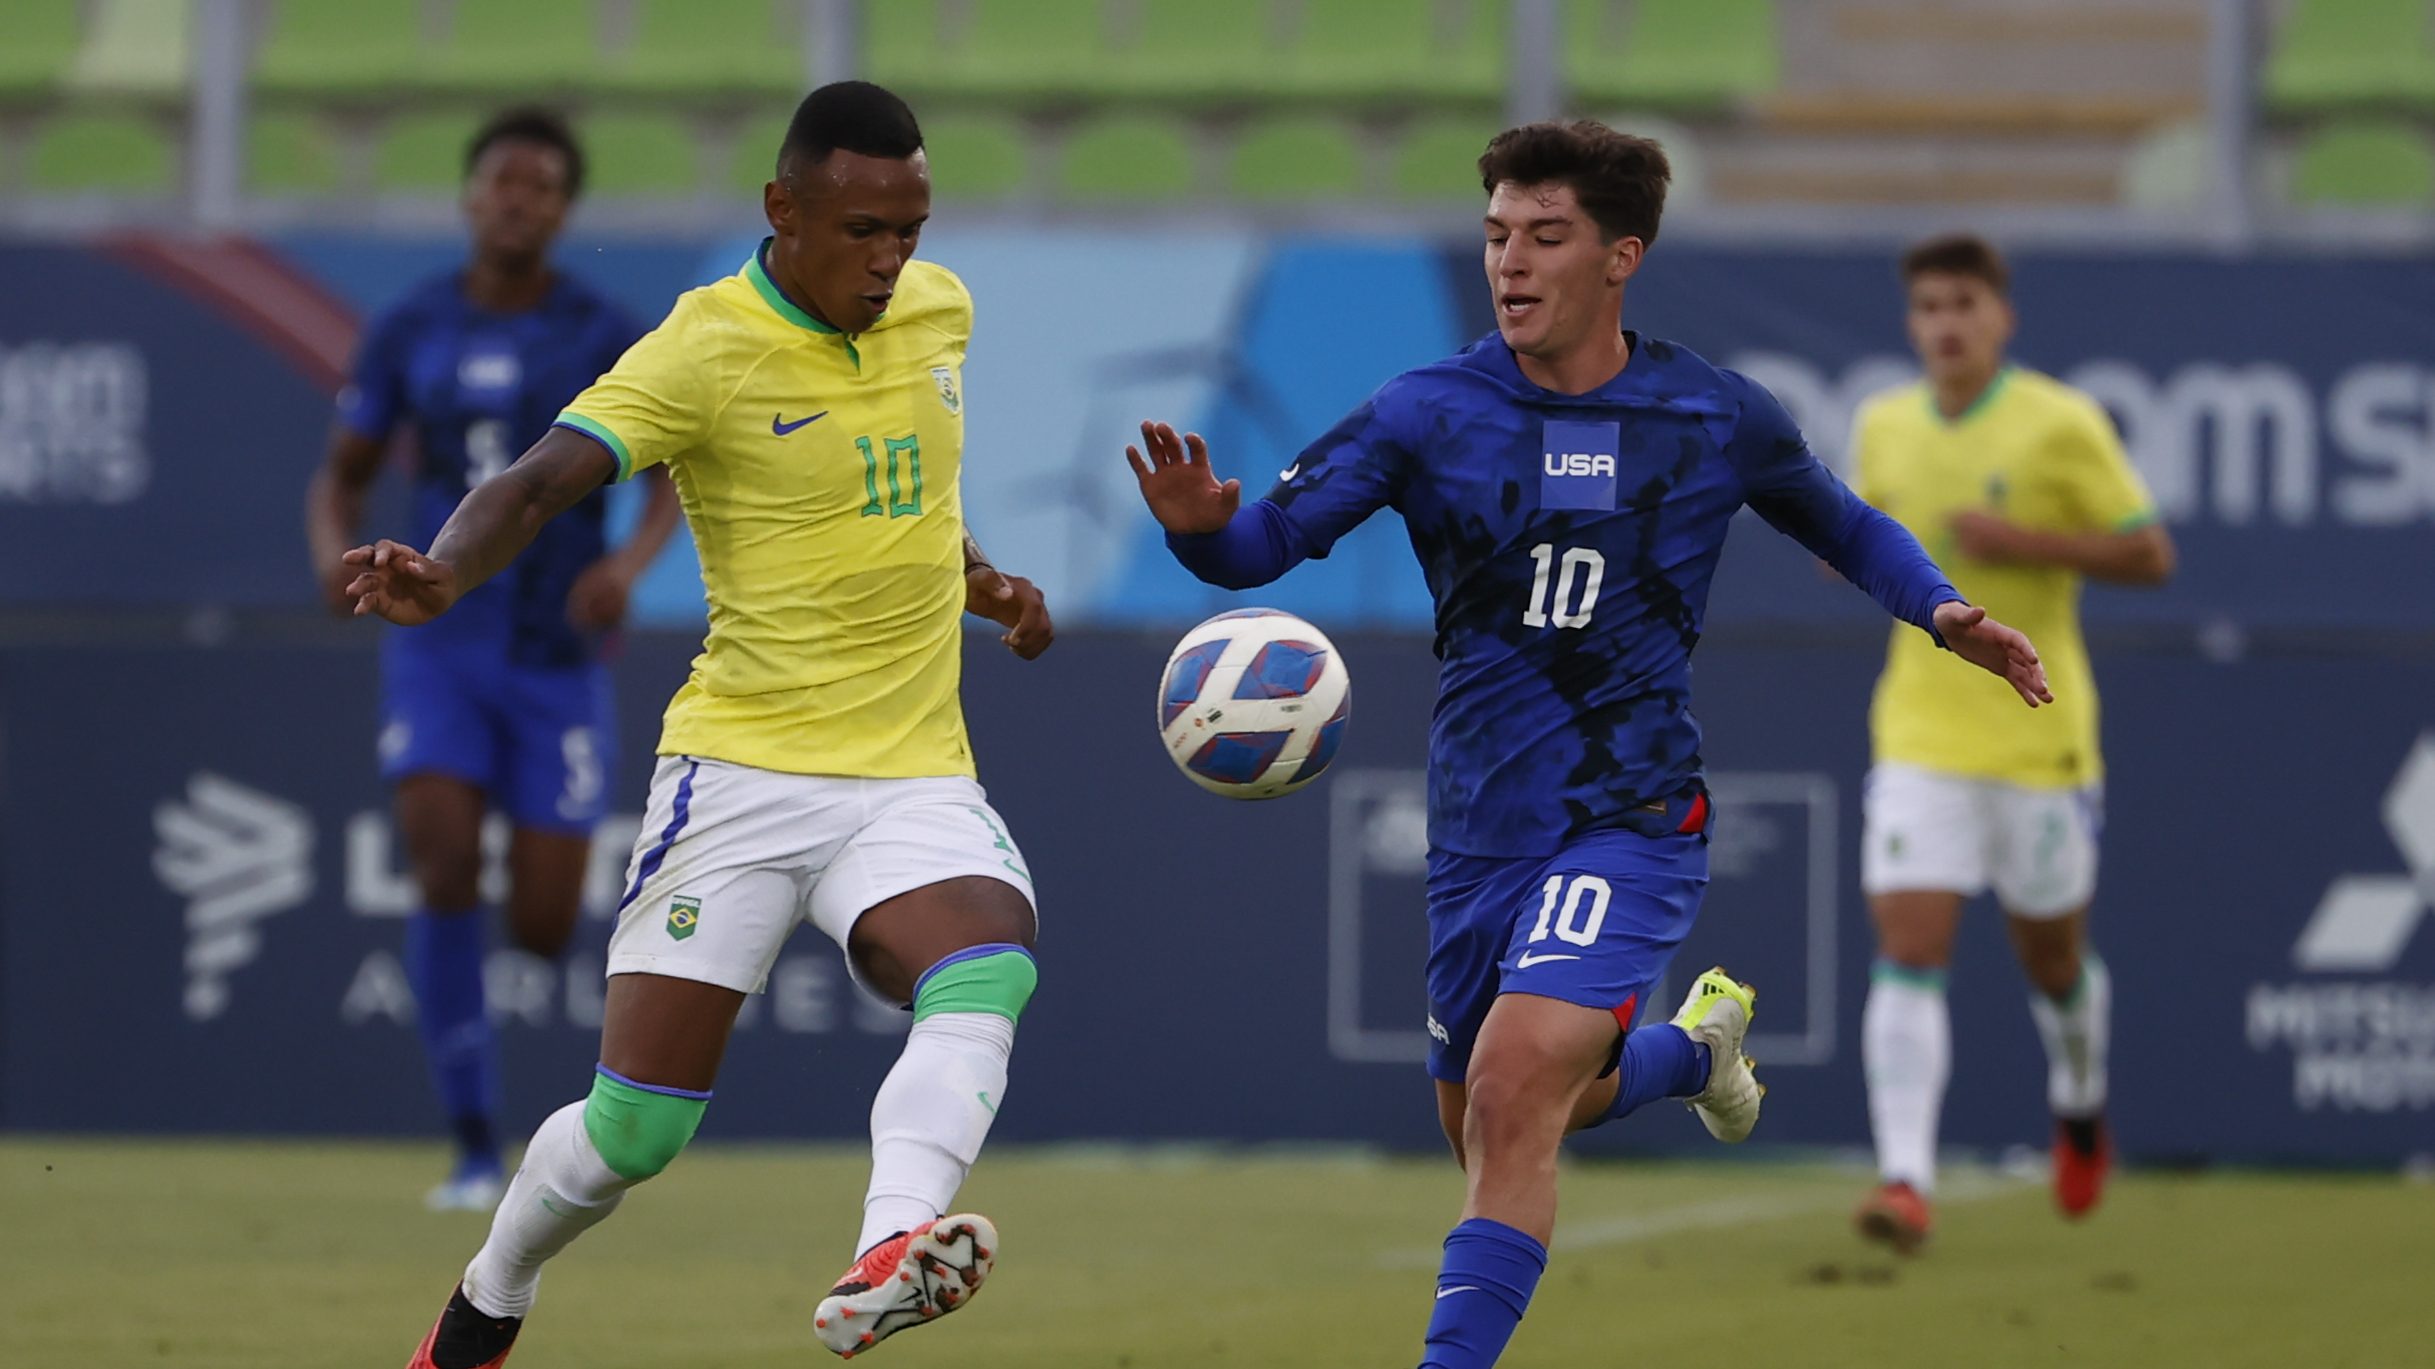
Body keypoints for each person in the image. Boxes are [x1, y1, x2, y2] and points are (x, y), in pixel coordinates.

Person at [1128, 121, 2049, 1369]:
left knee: (1514, 1088)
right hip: (1477, 832)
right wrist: (1197, 538)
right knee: (1495, 1116)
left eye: (1543, 237)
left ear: (1621, 255)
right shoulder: (1426, 411)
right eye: (1497, 234)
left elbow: (1843, 523)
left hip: (1629, 814)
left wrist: (1940, 612)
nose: (1510, 262)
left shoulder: (1709, 413)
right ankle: (1689, 1053)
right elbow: (1262, 550)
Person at [347, 83, 1054, 1367]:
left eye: (910, 227)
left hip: (908, 770)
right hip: (739, 772)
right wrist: (447, 570)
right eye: (860, 230)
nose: (891, 260)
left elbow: (902, 497)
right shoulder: (703, 346)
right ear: (781, 210)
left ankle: (892, 1247)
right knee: (636, 1133)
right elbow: (537, 481)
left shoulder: (940, 310)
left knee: (987, 959)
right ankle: (487, 1297)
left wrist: (986, 583)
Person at [305, 106, 681, 1212]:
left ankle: (522, 1123)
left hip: (556, 649)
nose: (520, 201)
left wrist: (630, 567)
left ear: (565, 210)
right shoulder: (409, 326)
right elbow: (342, 472)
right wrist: (337, 562)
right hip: (442, 640)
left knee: (545, 918)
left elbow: (665, 474)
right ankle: (473, 1142)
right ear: (471, 195)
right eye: (504, 182)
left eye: (543, 187)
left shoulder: (602, 329)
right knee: (440, 860)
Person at [1849, 234, 2173, 1253]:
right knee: (1907, 945)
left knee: (2049, 956)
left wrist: (2025, 543)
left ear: (2000, 317)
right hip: (1919, 732)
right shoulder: (1880, 425)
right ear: (1910, 323)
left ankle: (2077, 1102)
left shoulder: (2058, 423)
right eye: (1927, 307)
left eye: (1962, 304)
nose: (1944, 324)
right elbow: (1863, 538)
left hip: (2037, 737)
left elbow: (2148, 552)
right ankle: (1903, 1180)